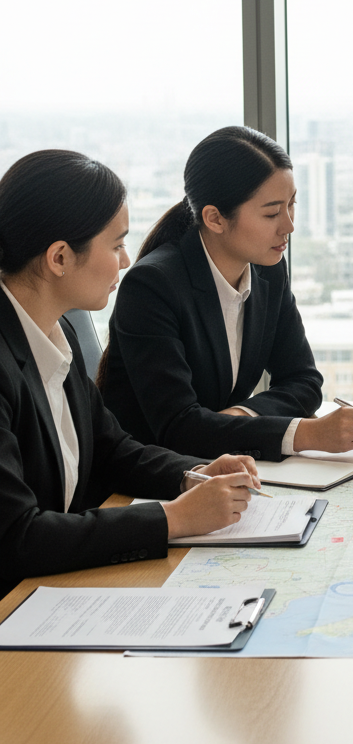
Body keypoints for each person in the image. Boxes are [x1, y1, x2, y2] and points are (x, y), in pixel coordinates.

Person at [0, 150, 262, 597]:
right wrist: (175, 518)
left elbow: (112, 449)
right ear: (60, 257)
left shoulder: (54, 328)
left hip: (53, 590)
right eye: (117, 245)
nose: (125, 261)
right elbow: (17, 536)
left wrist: (194, 474)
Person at [100, 126, 353, 461]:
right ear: (215, 218)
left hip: (222, 468)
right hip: (148, 484)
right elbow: (179, 429)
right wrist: (304, 433)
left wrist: (239, 415)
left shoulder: (267, 269)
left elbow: (303, 380)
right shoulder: (152, 287)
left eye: (292, 205)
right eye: (271, 213)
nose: (289, 226)